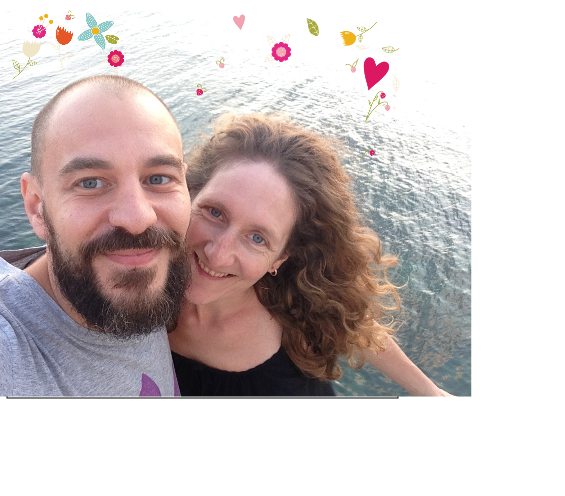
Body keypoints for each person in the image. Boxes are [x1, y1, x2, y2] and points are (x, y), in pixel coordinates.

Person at [169, 112, 454, 396]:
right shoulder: (147, 286)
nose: (218, 255)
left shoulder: (294, 308)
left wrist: (430, 392)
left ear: (280, 258)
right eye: (214, 212)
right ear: (189, 195)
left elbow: (355, 328)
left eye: (257, 238)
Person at [0, 75, 192, 396]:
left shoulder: (172, 272)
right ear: (36, 207)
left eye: (158, 178)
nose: (137, 219)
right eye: (90, 183)